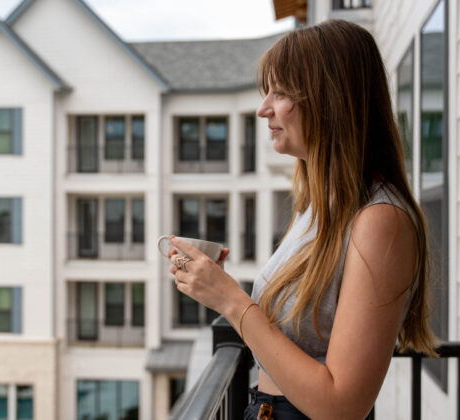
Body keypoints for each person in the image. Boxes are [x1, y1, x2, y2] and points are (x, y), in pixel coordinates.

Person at [167, 19, 439, 420]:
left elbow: (342, 405)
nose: (264, 109)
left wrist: (229, 298)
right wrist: (217, 282)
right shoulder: (321, 205)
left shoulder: (381, 220)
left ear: (329, 99)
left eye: (279, 93)